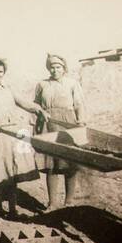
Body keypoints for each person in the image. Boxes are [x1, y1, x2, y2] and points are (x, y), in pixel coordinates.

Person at [0, 58, 45, 219]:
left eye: (0, 72)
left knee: (12, 172)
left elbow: (23, 102)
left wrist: (38, 109)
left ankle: (13, 210)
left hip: (13, 133)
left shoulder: (8, 88)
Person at [33, 53, 86, 208]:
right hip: (48, 125)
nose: (54, 70)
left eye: (58, 67)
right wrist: (35, 125)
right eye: (52, 67)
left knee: (70, 162)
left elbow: (79, 104)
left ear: (64, 68)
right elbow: (35, 105)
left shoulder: (72, 83)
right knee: (51, 165)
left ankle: (69, 201)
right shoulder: (42, 84)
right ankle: (52, 203)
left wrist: (81, 122)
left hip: (67, 124)